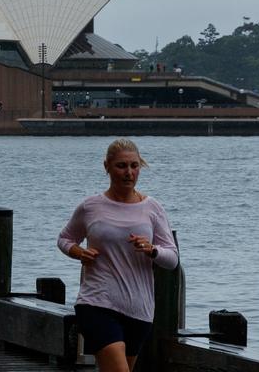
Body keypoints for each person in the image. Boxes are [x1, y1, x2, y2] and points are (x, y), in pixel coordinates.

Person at [57, 139, 178, 372]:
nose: (129, 173)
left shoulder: (152, 208)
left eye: (134, 166)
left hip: (139, 309)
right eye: (122, 166)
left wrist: (152, 250)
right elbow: (64, 239)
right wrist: (78, 252)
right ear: (107, 167)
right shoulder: (90, 206)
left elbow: (172, 259)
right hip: (96, 302)